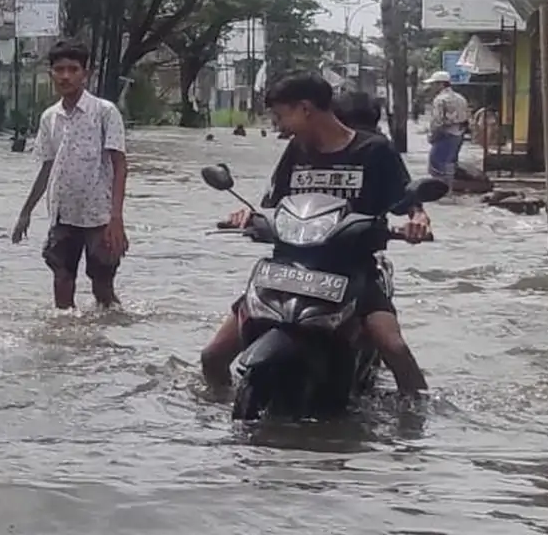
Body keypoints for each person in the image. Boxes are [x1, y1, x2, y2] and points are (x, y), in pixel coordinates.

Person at [200, 72, 431, 395]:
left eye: (281, 116)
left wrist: (417, 219)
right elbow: (274, 206)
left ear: (306, 109)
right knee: (212, 357)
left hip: (351, 271)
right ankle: (218, 414)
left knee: (393, 346)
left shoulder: (374, 151)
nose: (278, 124)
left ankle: (418, 419)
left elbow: (409, 203)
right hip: (286, 271)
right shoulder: (296, 151)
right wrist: (247, 216)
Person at [11, 39, 129, 309]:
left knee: (102, 287)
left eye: (73, 69)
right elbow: (47, 167)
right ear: (51, 73)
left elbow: (120, 165)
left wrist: (116, 218)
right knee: (62, 281)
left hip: (99, 217)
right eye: (60, 69)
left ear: (85, 74)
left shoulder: (105, 112)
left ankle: (107, 339)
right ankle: (65, 344)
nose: (66, 76)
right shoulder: (49, 117)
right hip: (63, 215)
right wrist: (26, 211)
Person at [423, 71, 470, 190]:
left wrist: (432, 136)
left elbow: (437, 122)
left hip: (444, 135)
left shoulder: (440, 100)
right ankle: (449, 191)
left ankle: (439, 194)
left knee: (436, 166)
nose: (431, 87)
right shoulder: (461, 98)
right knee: (450, 165)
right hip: (458, 135)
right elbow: (466, 119)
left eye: (433, 84)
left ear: (441, 84)